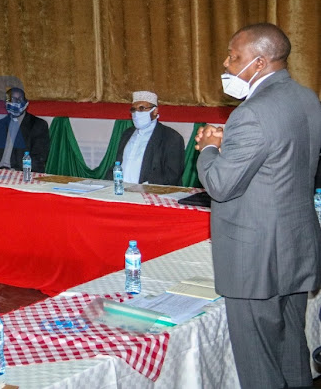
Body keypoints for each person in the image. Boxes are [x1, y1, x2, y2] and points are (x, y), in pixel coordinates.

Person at [195, 23, 321, 388]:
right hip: (296, 247)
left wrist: (209, 148)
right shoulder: (306, 97)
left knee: (258, 365)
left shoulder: (251, 114)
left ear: (260, 62)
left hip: (256, 262)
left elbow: (220, 185)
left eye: (234, 57)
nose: (226, 63)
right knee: (292, 349)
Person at [108, 91, 185, 186]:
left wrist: (145, 187)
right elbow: (117, 164)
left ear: (155, 111)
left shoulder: (172, 137)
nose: (136, 113)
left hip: (150, 194)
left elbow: (172, 174)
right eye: (133, 109)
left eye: (141, 108)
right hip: (120, 191)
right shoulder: (127, 134)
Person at [0, 87, 50, 173]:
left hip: (21, 173)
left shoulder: (38, 124)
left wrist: (16, 172)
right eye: (12, 100)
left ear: (26, 103)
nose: (15, 103)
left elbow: (39, 158)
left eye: (19, 100)